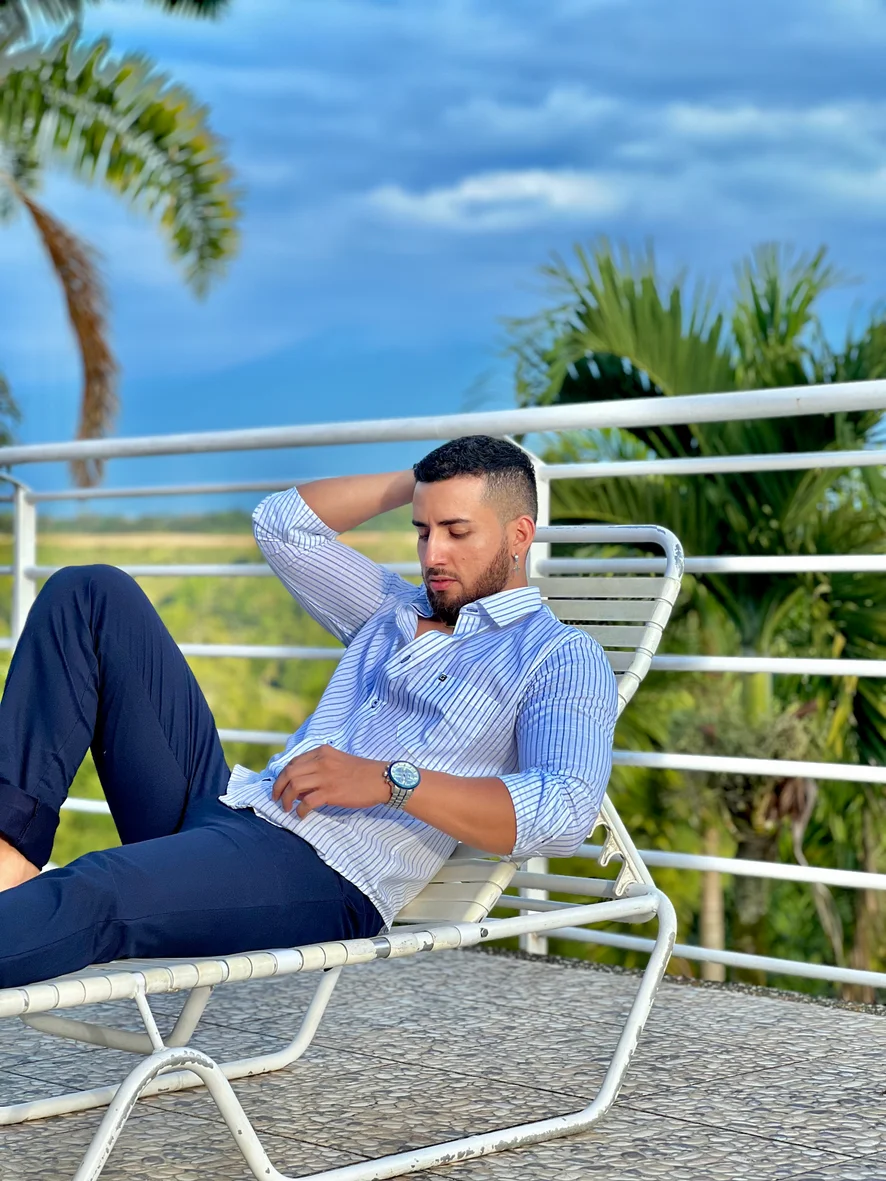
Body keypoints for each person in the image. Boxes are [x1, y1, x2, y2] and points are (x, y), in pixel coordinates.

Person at [0, 435, 617, 989]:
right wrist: (426, 478)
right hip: (237, 807)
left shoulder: (557, 656)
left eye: (457, 532)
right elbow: (282, 525)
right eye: (422, 529)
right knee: (90, 592)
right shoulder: (391, 608)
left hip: (322, 870)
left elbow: (565, 810)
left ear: (519, 535)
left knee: (97, 888)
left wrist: (388, 780)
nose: (433, 554)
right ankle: (8, 850)